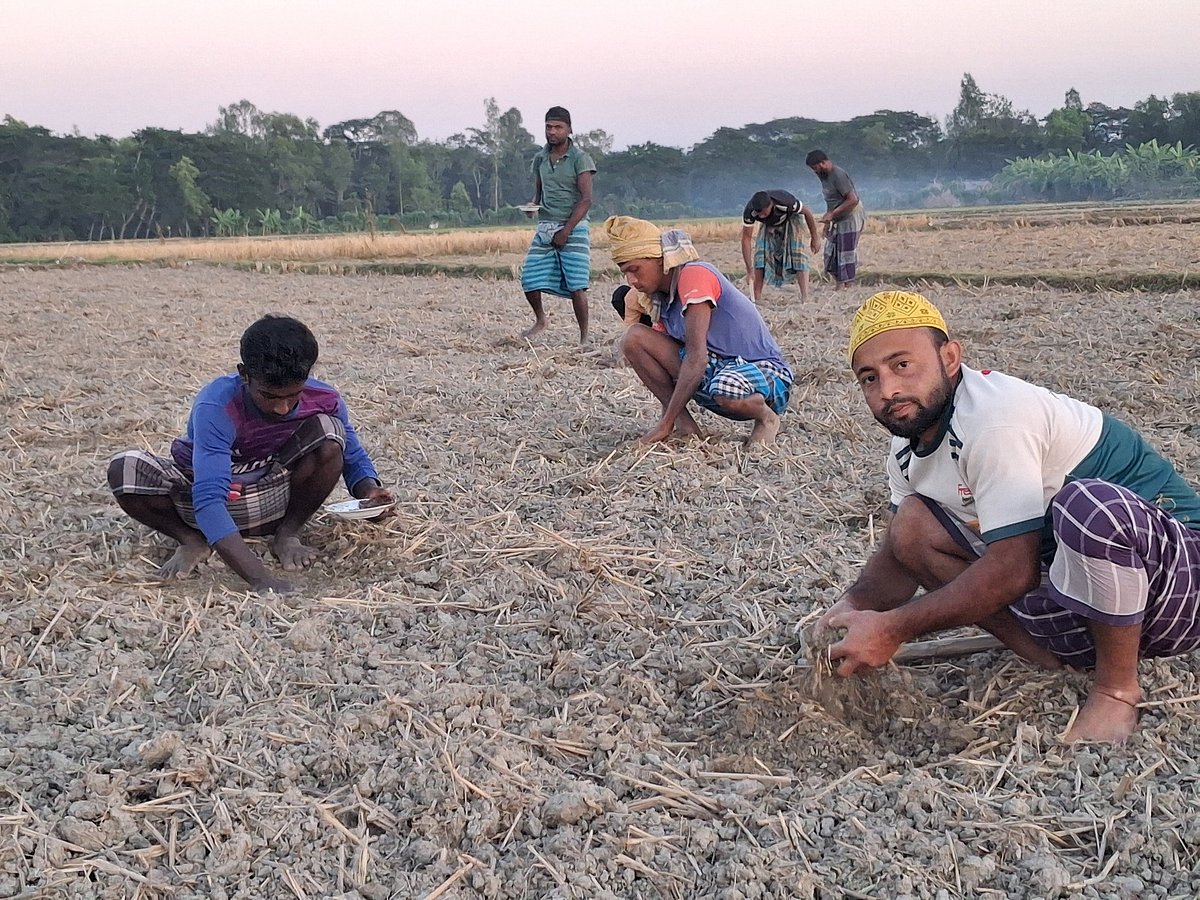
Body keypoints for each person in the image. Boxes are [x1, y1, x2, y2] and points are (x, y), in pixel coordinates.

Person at [817, 290, 1200, 742]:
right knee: (913, 522)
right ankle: (1051, 658)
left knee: (1086, 507)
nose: (889, 390)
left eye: (902, 365)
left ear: (951, 357)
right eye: (869, 378)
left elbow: (1013, 570)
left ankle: (1117, 689)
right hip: (1081, 598)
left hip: (1175, 591)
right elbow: (901, 555)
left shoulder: (996, 417)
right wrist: (852, 609)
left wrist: (894, 628)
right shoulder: (905, 449)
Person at [107, 315, 393, 593]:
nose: (282, 408)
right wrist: (261, 580)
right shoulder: (217, 406)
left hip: (273, 494)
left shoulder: (325, 399)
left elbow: (352, 455)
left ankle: (287, 534)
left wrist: (369, 493)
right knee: (125, 469)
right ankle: (191, 540)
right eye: (269, 396)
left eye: (293, 395)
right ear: (244, 374)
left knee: (331, 433)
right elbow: (208, 499)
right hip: (210, 500)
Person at [604, 215, 793, 445]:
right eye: (625, 272)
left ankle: (767, 418)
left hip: (763, 372)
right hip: (718, 370)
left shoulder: (694, 275)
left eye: (635, 269)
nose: (631, 280)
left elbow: (697, 358)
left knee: (725, 388)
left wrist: (664, 425)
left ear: (660, 259)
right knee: (633, 339)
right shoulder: (659, 301)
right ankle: (686, 426)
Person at [519, 106, 596, 344]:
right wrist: (533, 205)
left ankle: (584, 337)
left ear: (569, 129)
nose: (552, 132)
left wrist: (566, 231)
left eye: (558, 127)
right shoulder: (540, 158)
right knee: (529, 278)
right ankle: (540, 319)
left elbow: (586, 199)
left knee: (576, 285)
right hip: (545, 225)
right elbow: (539, 191)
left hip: (574, 226)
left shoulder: (580, 158)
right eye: (548, 127)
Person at [740, 189, 821, 302]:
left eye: (764, 212)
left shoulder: (786, 202)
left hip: (791, 220)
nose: (761, 216)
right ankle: (756, 298)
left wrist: (815, 237)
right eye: (759, 214)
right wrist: (749, 270)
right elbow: (746, 239)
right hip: (768, 226)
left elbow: (807, 212)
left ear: (771, 205)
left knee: (798, 255)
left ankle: (805, 297)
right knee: (760, 256)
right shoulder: (750, 211)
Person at [805, 150, 865, 289]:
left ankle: (848, 286)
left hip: (850, 216)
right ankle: (839, 284)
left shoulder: (838, 175)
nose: (814, 172)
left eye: (815, 168)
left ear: (823, 163)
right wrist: (828, 221)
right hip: (837, 217)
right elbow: (832, 200)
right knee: (831, 252)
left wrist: (833, 214)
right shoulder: (824, 176)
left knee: (846, 252)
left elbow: (852, 199)